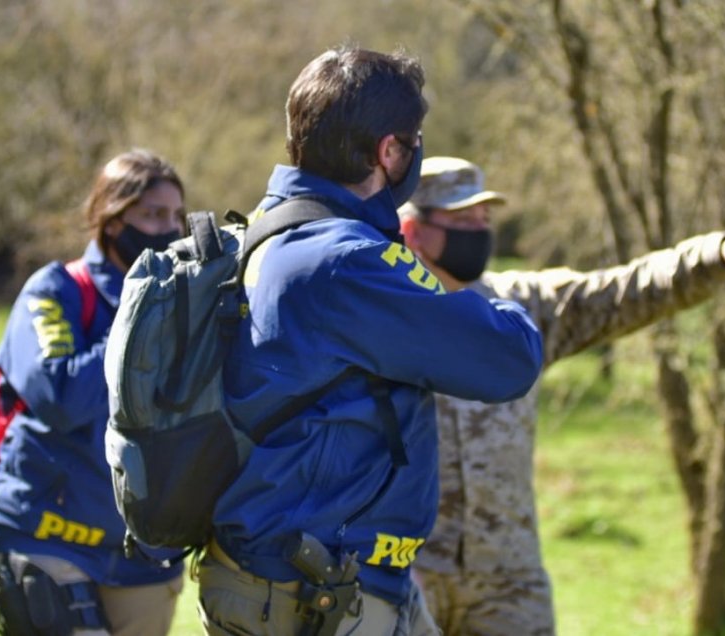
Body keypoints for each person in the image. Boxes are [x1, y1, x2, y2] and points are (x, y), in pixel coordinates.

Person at [195, 47, 544, 636]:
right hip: (311, 593)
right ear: (388, 152)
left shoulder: (266, 233)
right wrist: (484, 297)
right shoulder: (347, 260)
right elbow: (509, 358)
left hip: (295, 574)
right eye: (414, 141)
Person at [398, 156, 725, 636]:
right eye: (462, 219)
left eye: (484, 219)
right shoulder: (381, 321)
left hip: (507, 580)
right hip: (408, 573)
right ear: (412, 231)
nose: (479, 231)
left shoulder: (520, 311)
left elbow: (617, 293)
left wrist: (712, 257)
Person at [0, 149, 188, 635]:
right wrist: (141, 317)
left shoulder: (187, 305)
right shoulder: (55, 290)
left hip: (145, 554)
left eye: (177, 216)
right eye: (153, 215)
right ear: (112, 222)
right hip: (48, 536)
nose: (170, 229)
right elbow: (61, 396)